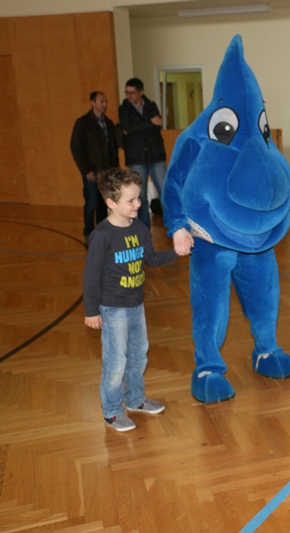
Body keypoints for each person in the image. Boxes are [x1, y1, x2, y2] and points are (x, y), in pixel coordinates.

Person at [83, 168, 187, 432]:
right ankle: (112, 411)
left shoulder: (140, 228)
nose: (138, 204)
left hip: (136, 305)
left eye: (138, 198)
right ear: (111, 203)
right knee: (116, 362)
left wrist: (176, 252)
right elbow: (90, 277)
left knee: (139, 355)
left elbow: (151, 259)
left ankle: (135, 399)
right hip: (112, 308)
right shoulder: (102, 236)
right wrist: (91, 311)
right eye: (130, 200)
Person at [70, 91, 119, 243]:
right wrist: (86, 169)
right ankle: (89, 232)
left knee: (103, 204)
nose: (104, 104)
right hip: (91, 172)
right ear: (92, 102)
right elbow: (76, 147)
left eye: (106, 102)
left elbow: (113, 148)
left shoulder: (108, 123)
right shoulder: (83, 123)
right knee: (91, 203)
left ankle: (102, 233)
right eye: (101, 101)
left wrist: (114, 169)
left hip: (106, 172)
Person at [119, 77, 167, 229]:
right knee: (140, 196)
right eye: (127, 92)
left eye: (132, 92)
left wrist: (135, 130)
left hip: (155, 155)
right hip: (136, 158)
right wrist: (150, 123)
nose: (129, 95)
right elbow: (127, 128)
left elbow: (156, 127)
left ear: (141, 92)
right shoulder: (124, 109)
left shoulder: (151, 106)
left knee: (166, 192)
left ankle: (172, 225)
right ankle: (144, 229)